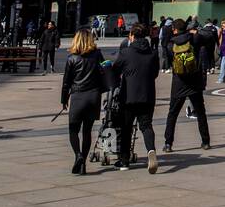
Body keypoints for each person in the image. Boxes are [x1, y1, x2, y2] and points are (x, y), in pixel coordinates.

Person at [61, 28, 110, 173]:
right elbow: (104, 72)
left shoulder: (72, 58)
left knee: (73, 129)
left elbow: (66, 82)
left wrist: (64, 100)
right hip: (93, 95)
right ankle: (83, 166)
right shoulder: (97, 55)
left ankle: (78, 156)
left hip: (77, 95)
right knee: (87, 131)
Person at [112, 23, 159, 173]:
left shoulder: (126, 52)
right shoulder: (152, 53)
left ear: (132, 36)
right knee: (146, 126)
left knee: (126, 128)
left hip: (128, 96)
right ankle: (151, 150)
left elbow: (115, 70)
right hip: (148, 95)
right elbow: (155, 73)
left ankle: (124, 161)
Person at [163, 18, 211, 152]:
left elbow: (168, 57)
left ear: (175, 29)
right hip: (194, 81)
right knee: (201, 113)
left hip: (179, 82)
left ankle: (168, 143)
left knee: (172, 114)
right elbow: (209, 37)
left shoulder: (171, 43)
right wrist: (195, 32)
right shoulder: (194, 39)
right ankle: (205, 141)